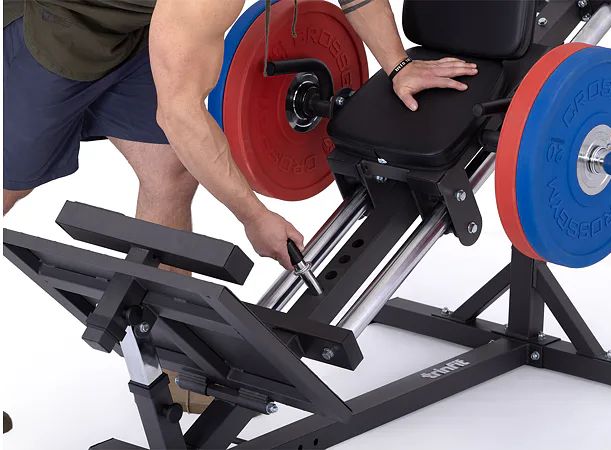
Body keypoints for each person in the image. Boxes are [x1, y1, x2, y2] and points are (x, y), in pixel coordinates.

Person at [3, 0, 478, 427]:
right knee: (8, 189)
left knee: (170, 174)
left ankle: (175, 363)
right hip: (51, 30)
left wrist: (398, 65)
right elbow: (180, 113)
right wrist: (253, 215)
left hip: (141, 33)